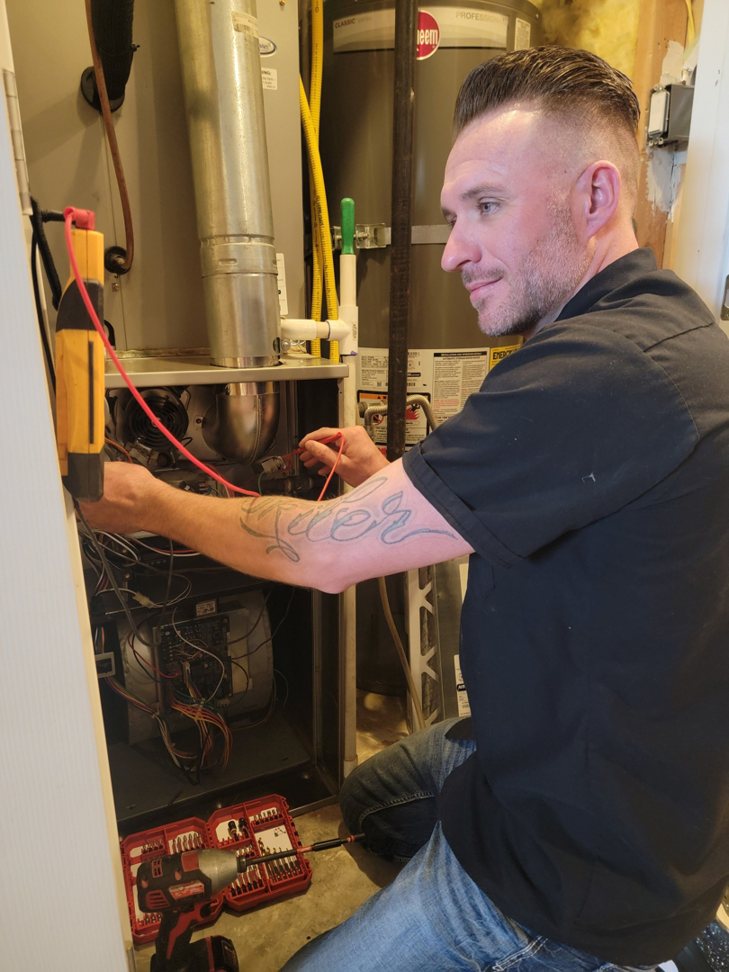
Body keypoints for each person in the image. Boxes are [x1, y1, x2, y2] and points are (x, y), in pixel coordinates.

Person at [81, 47, 729, 972]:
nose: (454, 250)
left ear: (594, 196)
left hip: (573, 869)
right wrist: (391, 477)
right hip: (603, 779)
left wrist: (149, 501)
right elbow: (565, 523)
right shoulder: (663, 327)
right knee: (375, 804)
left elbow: (317, 555)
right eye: (454, 214)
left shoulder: (600, 371)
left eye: (486, 207)